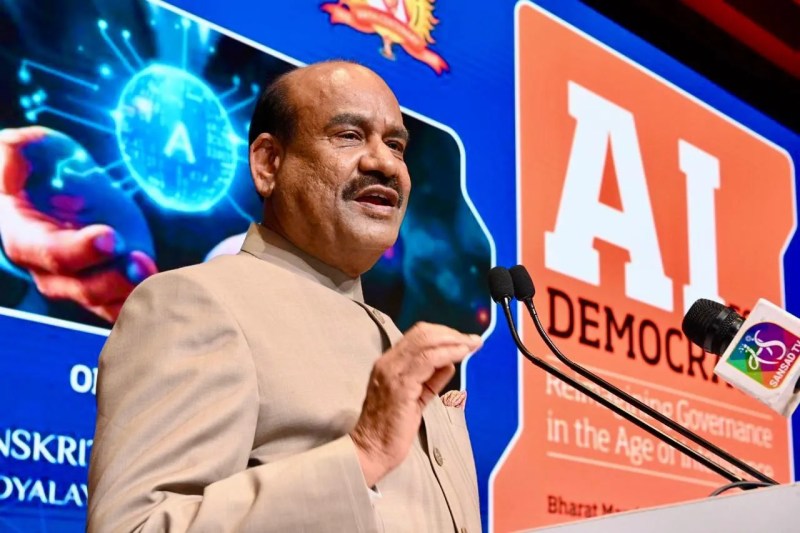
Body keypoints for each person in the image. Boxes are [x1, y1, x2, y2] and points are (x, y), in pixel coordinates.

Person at [87, 60, 483, 532]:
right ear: (268, 163)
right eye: (349, 136)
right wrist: (363, 453)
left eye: (396, 145)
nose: (385, 163)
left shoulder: (396, 342)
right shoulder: (194, 302)